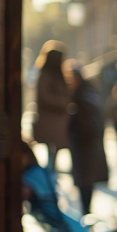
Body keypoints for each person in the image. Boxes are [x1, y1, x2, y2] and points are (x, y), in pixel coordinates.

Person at [63, 60, 109, 214]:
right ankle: (86, 212)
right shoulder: (87, 92)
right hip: (87, 144)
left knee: (86, 181)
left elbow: (88, 122)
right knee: (86, 181)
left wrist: (75, 132)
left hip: (86, 144)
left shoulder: (83, 94)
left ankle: (86, 213)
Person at [33, 40, 71, 170]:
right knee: (51, 151)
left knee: (55, 152)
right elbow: (45, 97)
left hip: (57, 121)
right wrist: (63, 102)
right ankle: (49, 176)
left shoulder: (58, 76)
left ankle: (51, 174)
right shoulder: (46, 76)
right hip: (50, 121)